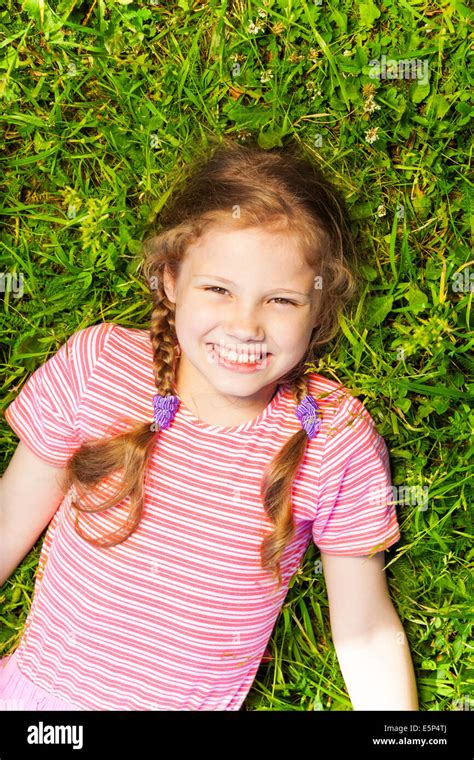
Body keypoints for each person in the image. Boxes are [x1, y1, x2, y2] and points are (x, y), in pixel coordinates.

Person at [0, 138, 418, 711]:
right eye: (218, 289)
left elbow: (365, 626)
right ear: (171, 281)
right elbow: (9, 517)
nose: (245, 325)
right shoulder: (98, 367)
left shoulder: (332, 436)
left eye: (281, 300)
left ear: (319, 310)